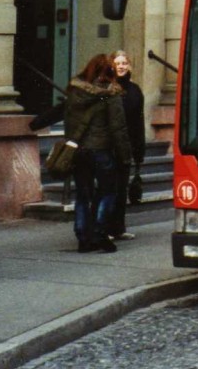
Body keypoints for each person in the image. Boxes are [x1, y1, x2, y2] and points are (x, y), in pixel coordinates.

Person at [66, 54, 132, 254]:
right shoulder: (111, 94)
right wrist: (125, 155)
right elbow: (118, 128)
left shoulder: (75, 92)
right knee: (107, 191)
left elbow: (69, 122)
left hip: (79, 150)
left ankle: (83, 237)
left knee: (83, 194)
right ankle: (100, 232)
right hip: (101, 150)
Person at [109, 50, 146, 241]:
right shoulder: (107, 88)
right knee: (109, 188)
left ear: (129, 66)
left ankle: (118, 228)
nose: (121, 66)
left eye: (124, 63)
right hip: (108, 146)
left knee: (122, 188)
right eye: (117, 63)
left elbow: (138, 122)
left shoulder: (135, 90)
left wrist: (139, 150)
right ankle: (105, 227)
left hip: (127, 146)